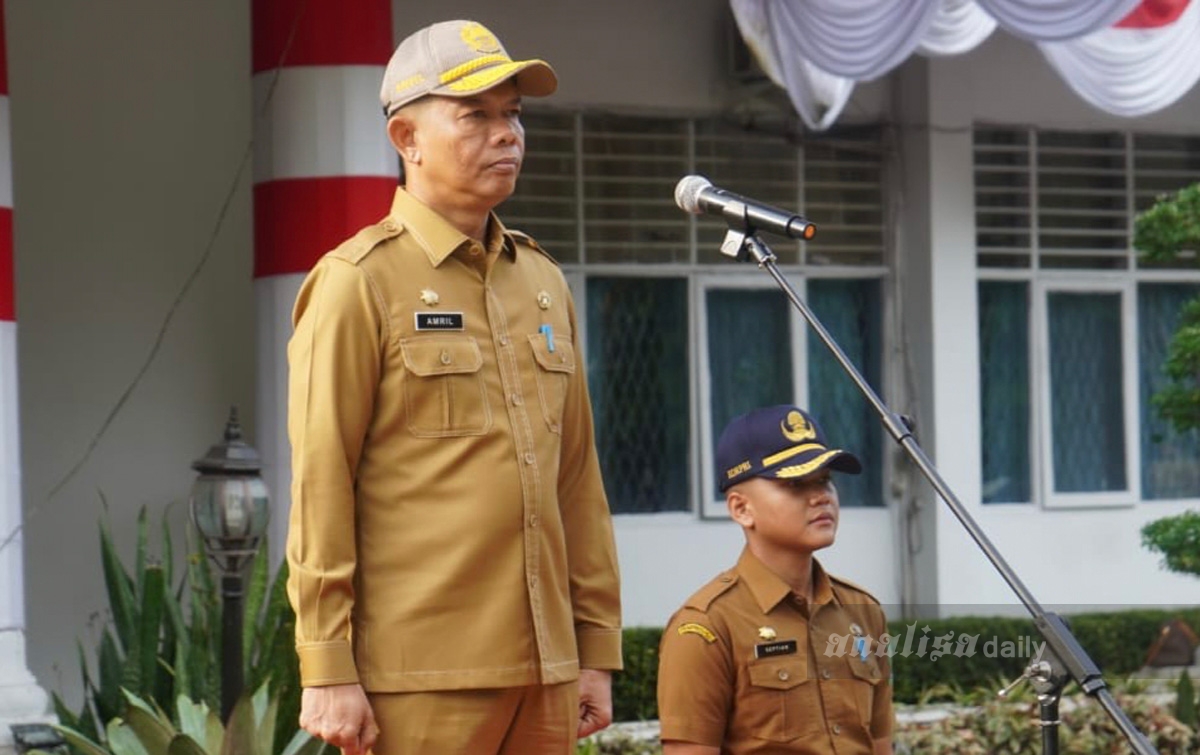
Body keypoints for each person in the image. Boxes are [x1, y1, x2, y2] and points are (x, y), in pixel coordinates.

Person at [285, 19, 622, 755]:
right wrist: (327, 666)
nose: (507, 134)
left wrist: (595, 645)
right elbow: (321, 482)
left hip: (546, 669)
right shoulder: (357, 282)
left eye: (514, 115)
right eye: (476, 115)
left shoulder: (542, 280)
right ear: (407, 137)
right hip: (419, 674)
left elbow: (577, 478)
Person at [657, 405, 893, 755]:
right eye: (796, 484)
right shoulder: (706, 627)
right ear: (741, 509)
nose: (821, 496)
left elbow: (880, 744)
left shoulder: (863, 612)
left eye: (825, 480)